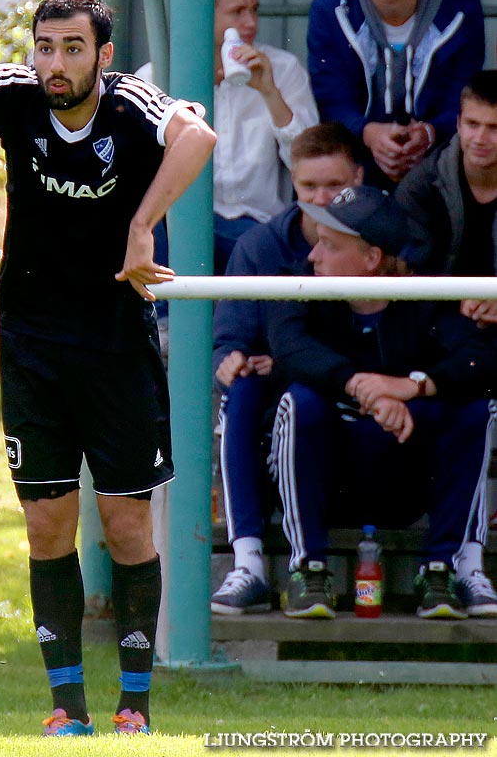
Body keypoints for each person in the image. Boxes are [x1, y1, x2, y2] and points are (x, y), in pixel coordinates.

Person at [0, 0, 215, 736]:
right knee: (45, 524)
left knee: (126, 524)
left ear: (102, 54)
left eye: (71, 48)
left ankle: (136, 706)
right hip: (31, 340)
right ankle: (66, 706)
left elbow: (197, 138)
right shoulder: (16, 94)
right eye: (43, 47)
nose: (53, 63)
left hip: (115, 345)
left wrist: (140, 226)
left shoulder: (131, 104)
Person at [266, 186, 497, 620]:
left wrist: (414, 387)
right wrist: (363, 387)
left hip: (407, 485)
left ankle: (441, 569)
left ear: (372, 260)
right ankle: (306, 568)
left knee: (474, 409)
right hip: (331, 484)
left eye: (330, 246)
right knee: (300, 403)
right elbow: (289, 347)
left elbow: (482, 359)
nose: (313, 256)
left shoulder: (424, 299)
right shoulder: (300, 283)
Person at [210, 123, 363, 615]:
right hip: (278, 407)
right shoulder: (259, 248)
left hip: (350, 406)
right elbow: (228, 339)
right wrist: (230, 361)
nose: (321, 198)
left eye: (335, 186)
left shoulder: (377, 237)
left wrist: (291, 359)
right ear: (292, 183)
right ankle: (248, 563)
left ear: (358, 178)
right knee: (243, 390)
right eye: (308, 187)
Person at [138, 0, 318, 273]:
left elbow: (307, 163)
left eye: (254, 10)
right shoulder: (157, 76)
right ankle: (165, 320)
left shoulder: (282, 68)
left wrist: (270, 93)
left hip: (256, 225)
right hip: (182, 225)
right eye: (237, 12)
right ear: (203, 13)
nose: (250, 22)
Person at [307, 0, 485, 189]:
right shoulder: (331, 10)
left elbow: (462, 96)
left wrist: (428, 133)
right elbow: (330, 98)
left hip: (437, 156)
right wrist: (369, 133)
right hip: (356, 154)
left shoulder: (461, 11)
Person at [396, 70, 497, 325]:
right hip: (439, 321)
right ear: (458, 124)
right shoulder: (423, 185)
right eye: (472, 124)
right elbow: (408, 271)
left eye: (494, 128)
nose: (480, 139)